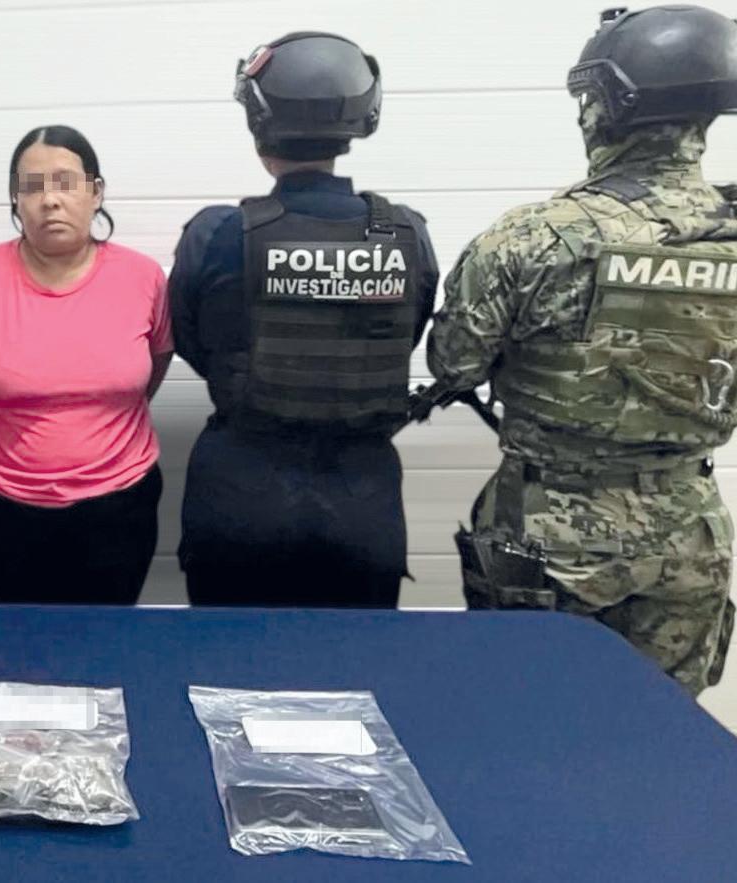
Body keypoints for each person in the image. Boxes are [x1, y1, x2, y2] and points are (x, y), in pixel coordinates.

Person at [427, 5, 737, 695]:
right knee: (662, 728)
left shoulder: (534, 239)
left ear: (605, 108)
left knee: (528, 713)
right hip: (690, 534)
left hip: (551, 534)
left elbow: (454, 363)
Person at [169, 33, 438, 607]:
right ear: (359, 121)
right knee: (353, 663)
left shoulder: (217, 235)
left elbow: (192, 341)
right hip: (362, 513)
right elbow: (407, 333)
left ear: (258, 124)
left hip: (240, 505)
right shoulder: (406, 234)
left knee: (228, 661)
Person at [0, 125, 173, 605]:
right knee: (21, 638)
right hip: (5, 507)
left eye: (65, 183)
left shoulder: (144, 279)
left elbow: (153, 366)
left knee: (107, 636)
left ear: (95, 192)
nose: (50, 200)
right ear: (15, 199)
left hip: (121, 505)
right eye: (32, 187)